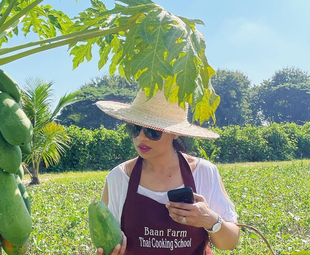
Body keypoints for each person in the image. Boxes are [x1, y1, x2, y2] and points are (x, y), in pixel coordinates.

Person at [94, 89, 240, 255]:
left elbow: (230, 242)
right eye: (135, 128)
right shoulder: (119, 178)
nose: (141, 137)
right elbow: (106, 239)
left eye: (152, 131)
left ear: (175, 133)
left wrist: (209, 219)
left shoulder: (204, 173)